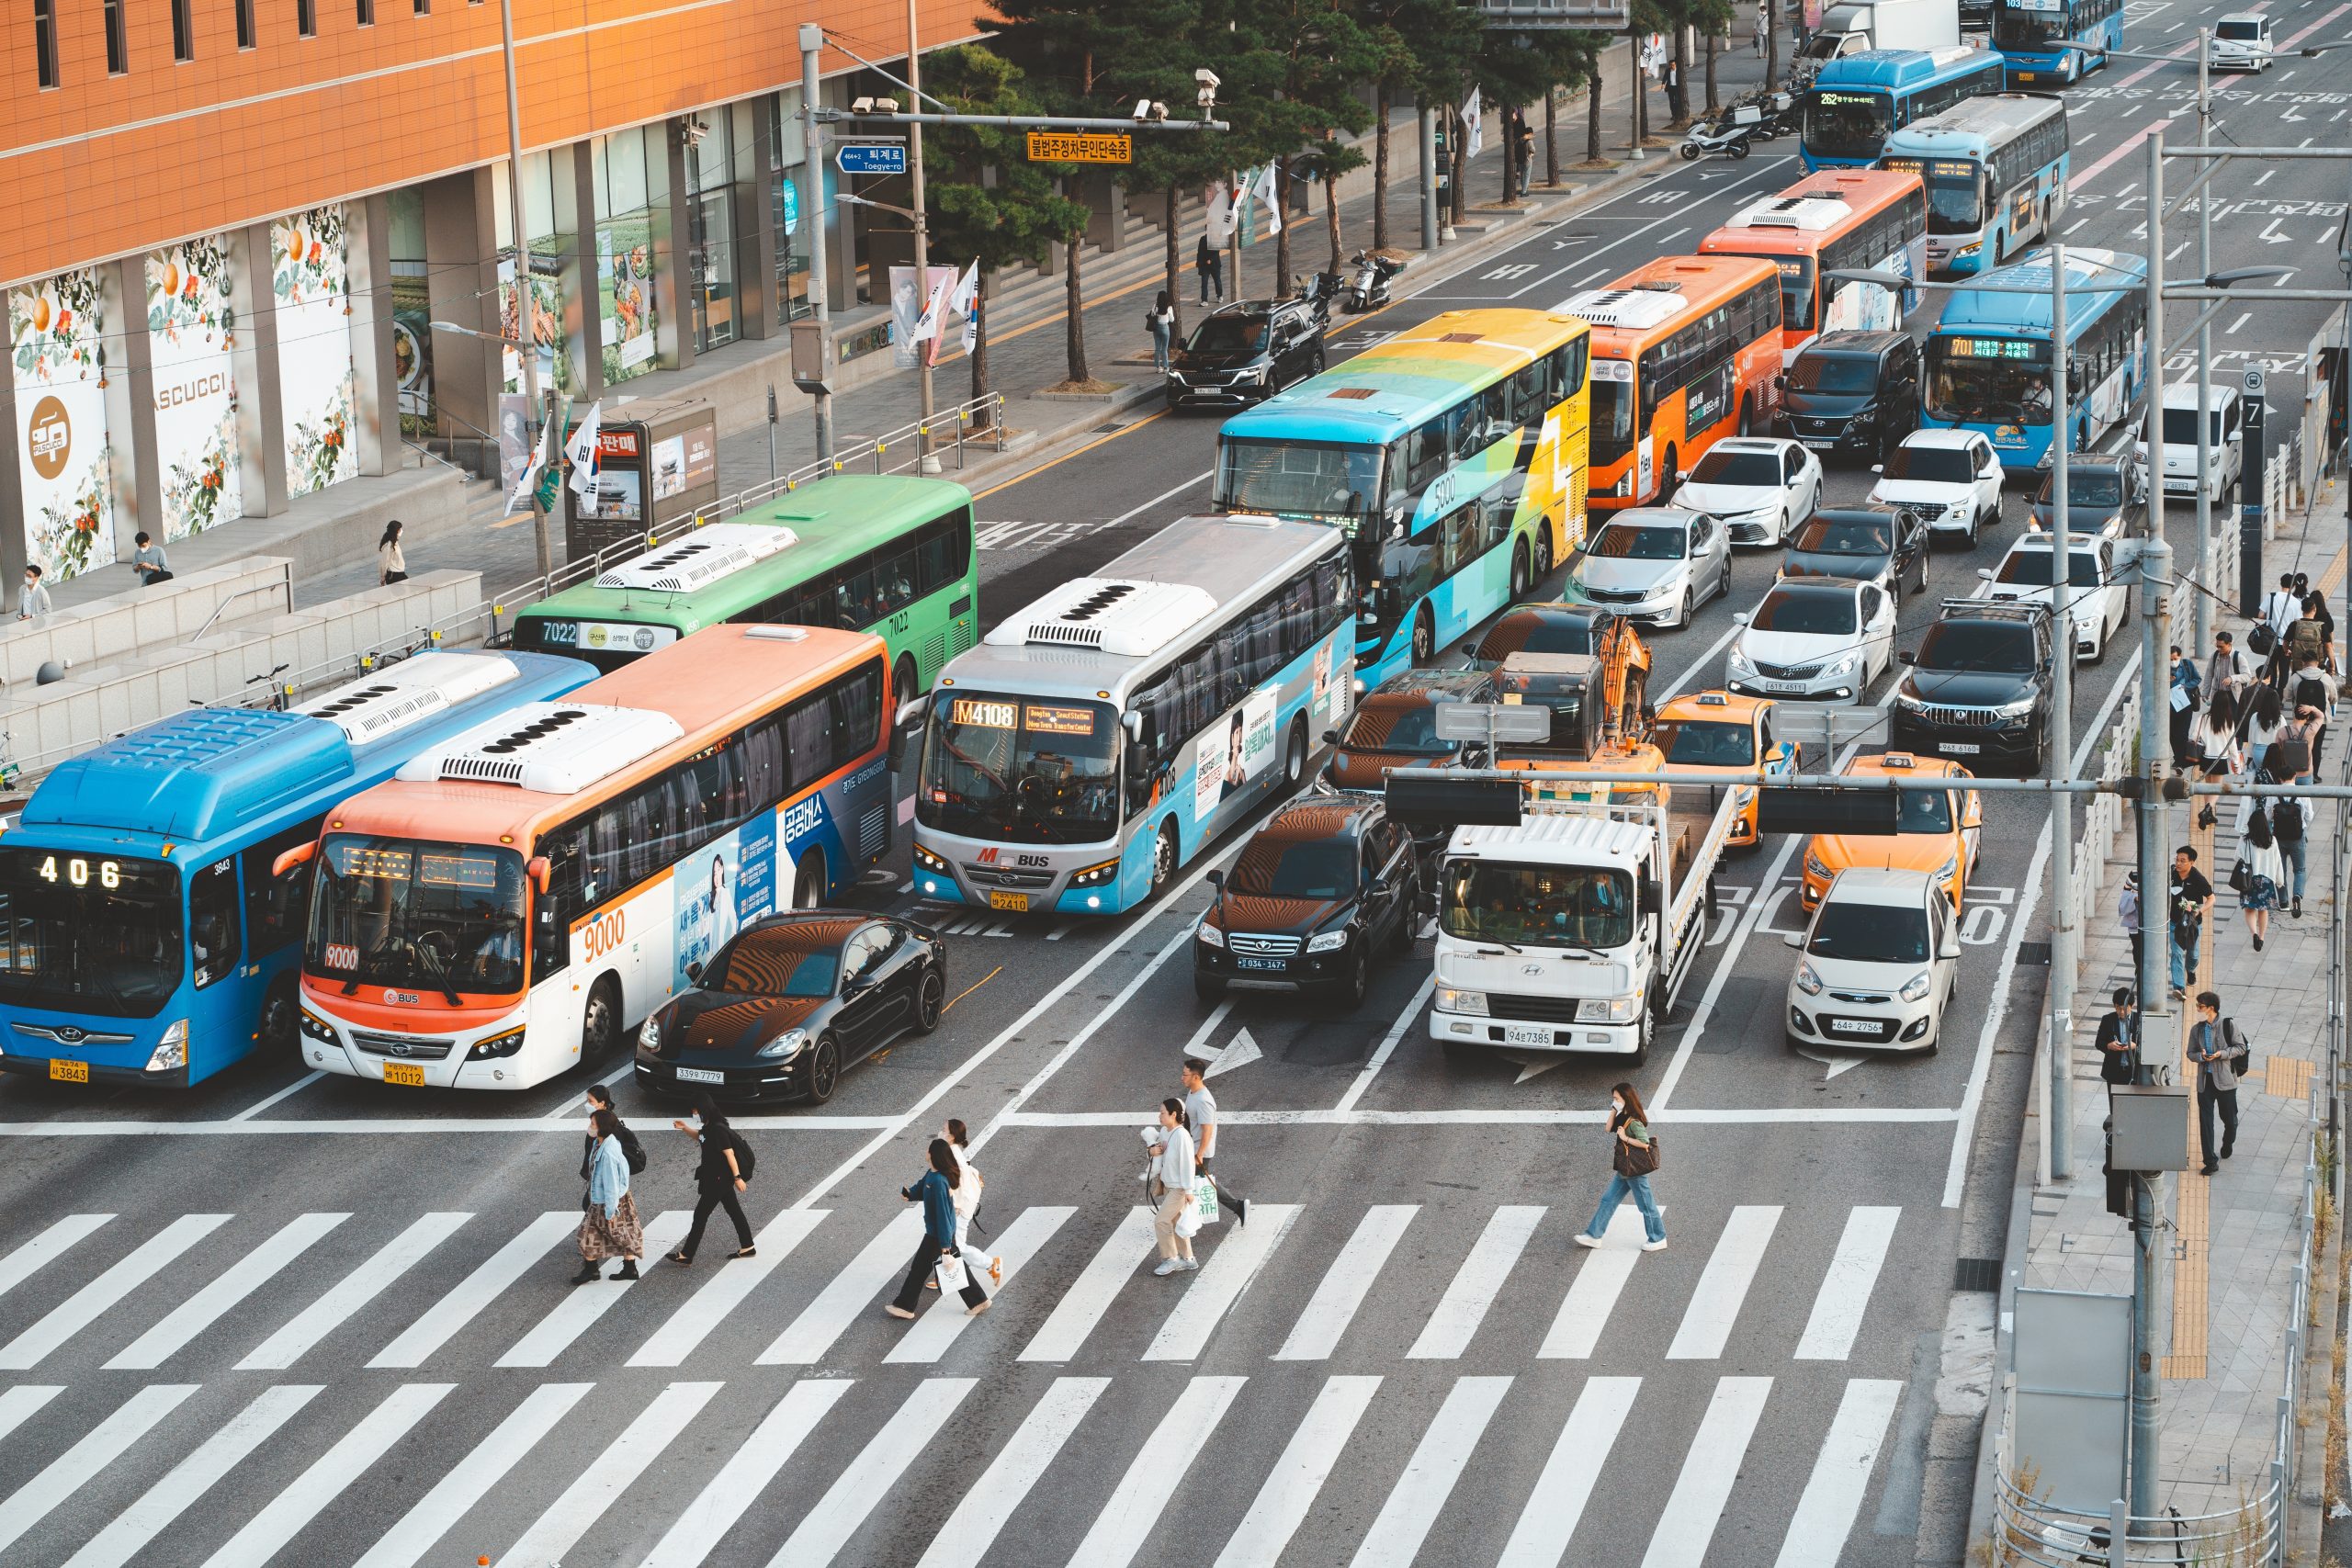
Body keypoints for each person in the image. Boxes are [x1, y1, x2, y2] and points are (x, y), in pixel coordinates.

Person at [888, 1138, 990, 1317]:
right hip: (938, 1234)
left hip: (938, 1235)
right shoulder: (932, 1175)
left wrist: (945, 1246)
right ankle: (979, 1300)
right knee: (945, 1267)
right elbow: (921, 1188)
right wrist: (910, 1194)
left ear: (934, 1155)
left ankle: (905, 1306)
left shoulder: (939, 1181)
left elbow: (943, 1215)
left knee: (919, 1269)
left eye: (928, 1149)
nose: (925, 1151)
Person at [1575, 1081, 1667, 1250]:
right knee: (1608, 1200)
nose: (1614, 1100)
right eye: (1613, 1098)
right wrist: (1614, 1109)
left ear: (1626, 1098)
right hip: (1625, 1168)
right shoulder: (1622, 1115)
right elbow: (1608, 1128)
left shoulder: (1634, 1122)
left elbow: (1645, 1143)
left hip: (1635, 1171)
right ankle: (1593, 1235)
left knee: (1646, 1205)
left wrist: (1625, 1138)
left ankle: (1658, 1238)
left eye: (1616, 1098)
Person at [669, 1096, 755, 1265]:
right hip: (716, 1177)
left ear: (703, 1109)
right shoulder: (708, 1127)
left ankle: (687, 1254)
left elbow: (729, 1153)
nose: (693, 1114)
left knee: (700, 1214)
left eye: (695, 1111)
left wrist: (738, 1178)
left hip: (719, 1179)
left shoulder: (718, 1129)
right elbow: (700, 1137)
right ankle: (748, 1246)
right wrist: (684, 1128)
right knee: (734, 1211)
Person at [929, 1118, 1002, 1290]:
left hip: (961, 1207)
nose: (941, 1131)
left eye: (943, 1129)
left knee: (957, 1244)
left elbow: (961, 1179)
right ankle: (943, 1275)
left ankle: (992, 1264)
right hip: (959, 1204)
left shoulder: (953, 1153)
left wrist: (956, 1205)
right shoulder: (950, 1150)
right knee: (945, 1239)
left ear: (951, 1136)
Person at [574, 1106, 644, 1283]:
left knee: (586, 1235)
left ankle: (592, 1271)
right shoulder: (604, 1142)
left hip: (608, 1201)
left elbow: (611, 1183)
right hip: (610, 1199)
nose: (590, 1126)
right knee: (624, 1233)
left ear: (602, 1128)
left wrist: (610, 1211)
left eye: (593, 1124)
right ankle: (629, 1269)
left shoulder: (608, 1153)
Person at [1182, 1057, 1249, 1228]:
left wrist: (1199, 1153)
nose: (1182, 1077)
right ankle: (1237, 1206)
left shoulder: (1204, 1100)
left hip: (1199, 1150)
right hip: (1193, 1146)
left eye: (1185, 1074)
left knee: (1196, 1183)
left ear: (1196, 1077)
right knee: (1198, 1182)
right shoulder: (1193, 1093)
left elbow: (1207, 1130)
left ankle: (1238, 1205)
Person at [2187, 991, 2245, 1174]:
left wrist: (2222, 1054)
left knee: (2230, 1120)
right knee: (2205, 1122)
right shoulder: (2197, 1029)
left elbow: (2240, 1047)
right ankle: (2210, 1161)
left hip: (2226, 1081)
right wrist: (2201, 1056)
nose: (2197, 1009)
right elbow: (2190, 1053)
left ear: (2211, 1008)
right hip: (2205, 1081)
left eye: (2200, 1006)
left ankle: (2227, 1143)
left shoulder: (2228, 1025)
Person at [1143, 1099, 1200, 1276]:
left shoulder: (1182, 1136)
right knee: (1176, 1223)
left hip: (1179, 1189)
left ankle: (1171, 1259)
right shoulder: (1165, 1132)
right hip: (1169, 1185)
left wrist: (1189, 1192)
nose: (1159, 1116)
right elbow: (1157, 1153)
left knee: (1161, 1221)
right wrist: (1150, 1151)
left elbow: (1188, 1165)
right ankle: (1189, 1259)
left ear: (1173, 1115)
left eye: (1162, 1113)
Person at [579, 1083, 646, 1207]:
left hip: (603, 1176)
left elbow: (610, 1161)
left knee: (589, 1205)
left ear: (602, 1103)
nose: (587, 1104)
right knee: (590, 1205)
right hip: (598, 1174)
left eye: (590, 1101)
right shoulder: (599, 1120)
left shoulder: (610, 1127)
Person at [2233, 791, 2283, 951]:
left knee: (2249, 909)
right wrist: (2279, 880)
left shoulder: (2245, 839)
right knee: (2263, 910)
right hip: (2267, 879)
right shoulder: (2272, 840)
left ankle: (2253, 933)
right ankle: (2261, 937)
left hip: (2250, 879)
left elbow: (2237, 857)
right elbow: (2277, 862)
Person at [2168, 845, 2211, 999]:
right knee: (2177, 954)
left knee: (2193, 955)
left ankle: (2191, 971)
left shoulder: (2198, 879)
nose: (2178, 863)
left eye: (2183, 861)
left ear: (2191, 862)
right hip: (2175, 922)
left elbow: (2211, 898)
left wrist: (2199, 910)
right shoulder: (2171, 875)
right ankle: (2179, 988)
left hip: (2193, 923)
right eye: (2177, 859)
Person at [2267, 788, 2310, 917]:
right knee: (2300, 869)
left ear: (2280, 779)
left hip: (2279, 837)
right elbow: (2309, 815)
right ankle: (2297, 895)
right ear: (2294, 777)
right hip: (2297, 838)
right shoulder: (2302, 794)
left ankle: (2284, 902)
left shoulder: (2274, 795)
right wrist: (2300, 826)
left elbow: (2268, 816)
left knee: (2280, 869)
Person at [2094, 987, 2140, 1092]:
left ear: (2132, 1006)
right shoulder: (2108, 1020)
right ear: (2114, 1006)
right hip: (2113, 1071)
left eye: (2125, 1008)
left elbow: (2149, 1044)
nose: (2121, 1011)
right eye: (2118, 1008)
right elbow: (2099, 1042)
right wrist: (2108, 1046)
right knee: (2115, 1105)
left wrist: (2135, 1046)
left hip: (2134, 1071)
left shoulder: (2139, 1020)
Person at [2167, 646, 2201, 771]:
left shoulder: (2187, 665)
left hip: (2185, 704)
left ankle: (2181, 761)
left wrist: (2186, 686)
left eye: (2175, 658)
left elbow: (2197, 679)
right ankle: (2179, 758)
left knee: (2182, 733)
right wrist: (2167, 681)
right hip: (2170, 706)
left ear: (2180, 656)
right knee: (2172, 734)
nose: (2173, 661)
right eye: (2170, 659)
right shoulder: (2164, 668)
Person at [2243, 684, 2283, 781]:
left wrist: (2249, 756)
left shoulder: (2255, 717)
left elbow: (2250, 739)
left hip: (2258, 752)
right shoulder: (2280, 719)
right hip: (2274, 753)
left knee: (2260, 776)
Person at [2118, 870, 2142, 987]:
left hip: (2153, 923)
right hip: (2135, 921)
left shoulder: (2158, 872)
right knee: (2137, 948)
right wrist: (2135, 898)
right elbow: (2125, 894)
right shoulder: (2134, 875)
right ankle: (2139, 969)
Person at [1148, 289, 1175, 376]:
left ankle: (1158, 367)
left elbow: (1152, 315)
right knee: (1164, 348)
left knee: (1157, 348)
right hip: (1165, 328)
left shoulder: (1155, 306)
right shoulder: (1169, 307)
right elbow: (1172, 319)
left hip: (1156, 328)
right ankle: (1166, 367)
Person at [379, 519, 408, 586]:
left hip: (400, 573)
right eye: (400, 529)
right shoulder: (389, 546)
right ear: (396, 531)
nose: (401, 531)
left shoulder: (395, 543)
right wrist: (383, 577)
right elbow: (384, 562)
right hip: (394, 575)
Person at [1195, 232, 1222, 304]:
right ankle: (1204, 300)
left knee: (1217, 281)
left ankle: (1219, 295)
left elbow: (1217, 251)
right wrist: (1198, 262)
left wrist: (1211, 260)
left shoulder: (1216, 238)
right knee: (1204, 283)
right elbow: (1199, 251)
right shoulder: (1203, 239)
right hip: (1205, 265)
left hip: (1215, 265)